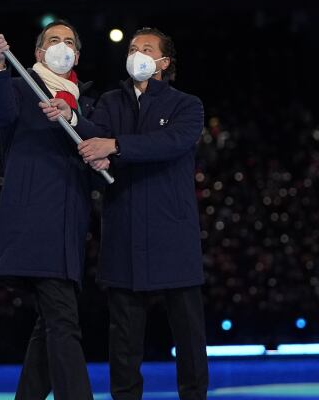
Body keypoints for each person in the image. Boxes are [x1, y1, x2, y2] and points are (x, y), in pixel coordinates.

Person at [73, 28, 208, 400]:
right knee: (124, 342)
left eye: (147, 49)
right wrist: (69, 116)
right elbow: (89, 139)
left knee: (189, 337)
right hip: (125, 231)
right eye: (133, 48)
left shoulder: (187, 105)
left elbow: (172, 143)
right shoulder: (110, 103)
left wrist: (114, 145)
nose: (137, 54)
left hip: (172, 234)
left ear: (164, 62)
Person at [0, 20, 97, 400]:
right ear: (38, 52)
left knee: (50, 325)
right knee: (63, 321)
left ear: (77, 55)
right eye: (52, 40)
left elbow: (101, 141)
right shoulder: (18, 88)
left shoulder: (87, 102)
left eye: (68, 42)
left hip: (70, 229)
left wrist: (73, 117)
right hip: (34, 225)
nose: (61, 47)